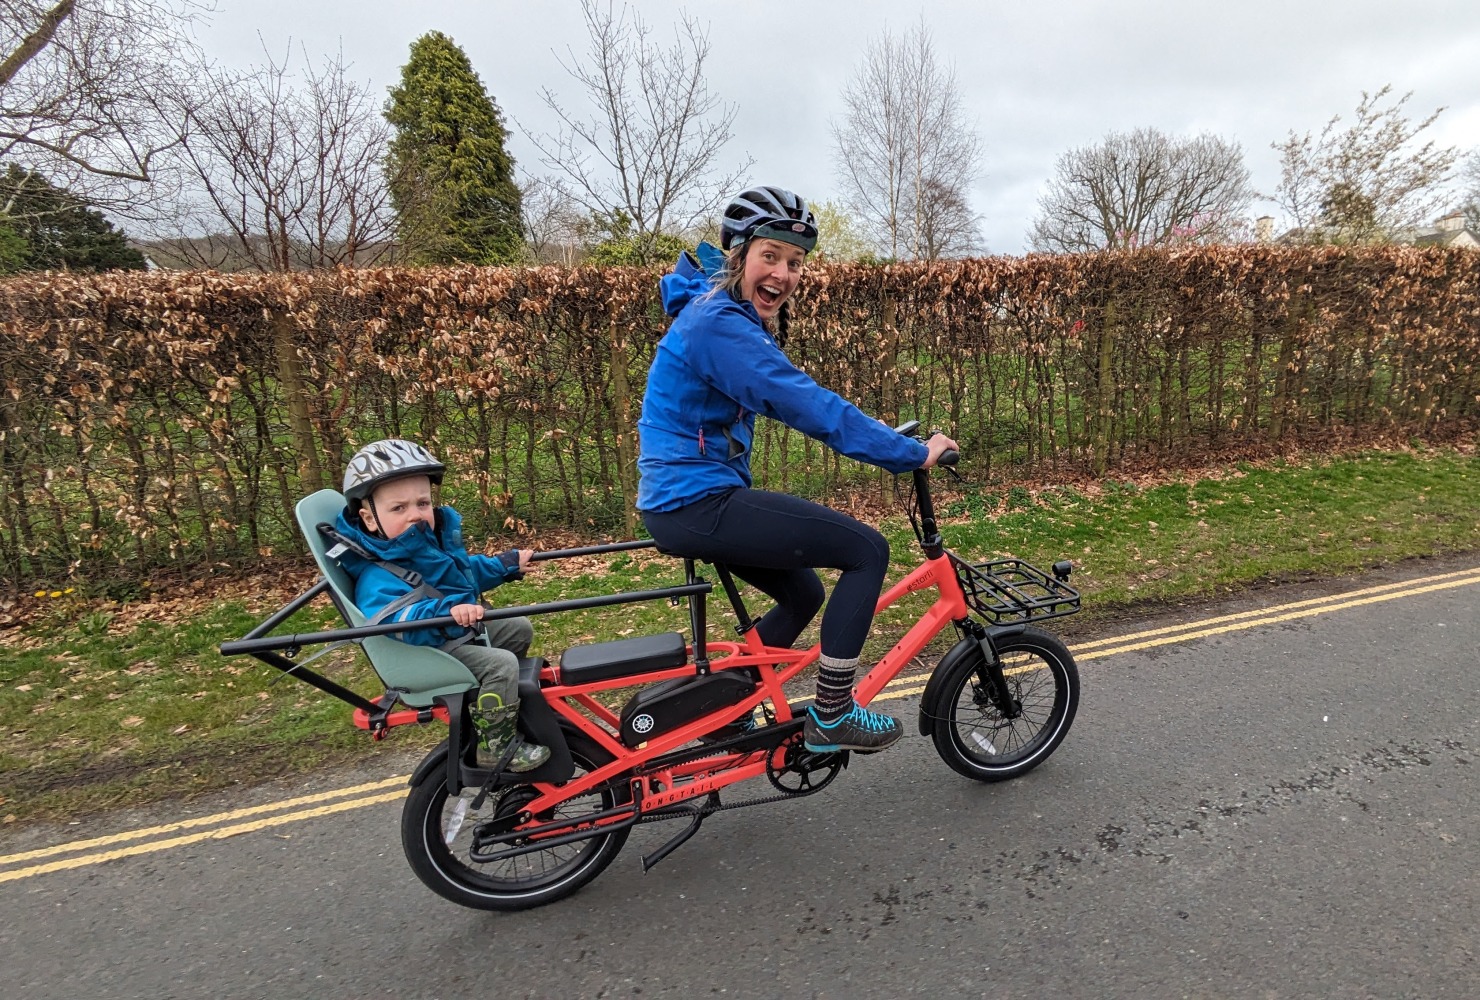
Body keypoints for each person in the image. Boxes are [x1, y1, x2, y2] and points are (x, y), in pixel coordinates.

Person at [636, 186, 958, 754]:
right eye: (770, 256)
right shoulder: (719, 325)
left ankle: (726, 706)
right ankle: (833, 712)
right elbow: (805, 402)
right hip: (693, 502)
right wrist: (910, 453)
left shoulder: (716, 314)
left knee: (803, 593)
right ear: (738, 257)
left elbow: (798, 396)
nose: (783, 274)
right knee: (867, 551)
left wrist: (886, 437)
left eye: (795, 263)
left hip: (687, 500)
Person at [331, 439, 551, 772]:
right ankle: (495, 746)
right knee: (501, 664)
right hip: (429, 649)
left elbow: (460, 575)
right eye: (398, 508)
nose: (415, 515)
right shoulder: (377, 574)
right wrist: (448, 614)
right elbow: (400, 621)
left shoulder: (418, 549)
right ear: (369, 518)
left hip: (448, 636)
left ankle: (495, 704)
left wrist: (505, 566)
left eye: (422, 503)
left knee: (518, 627)